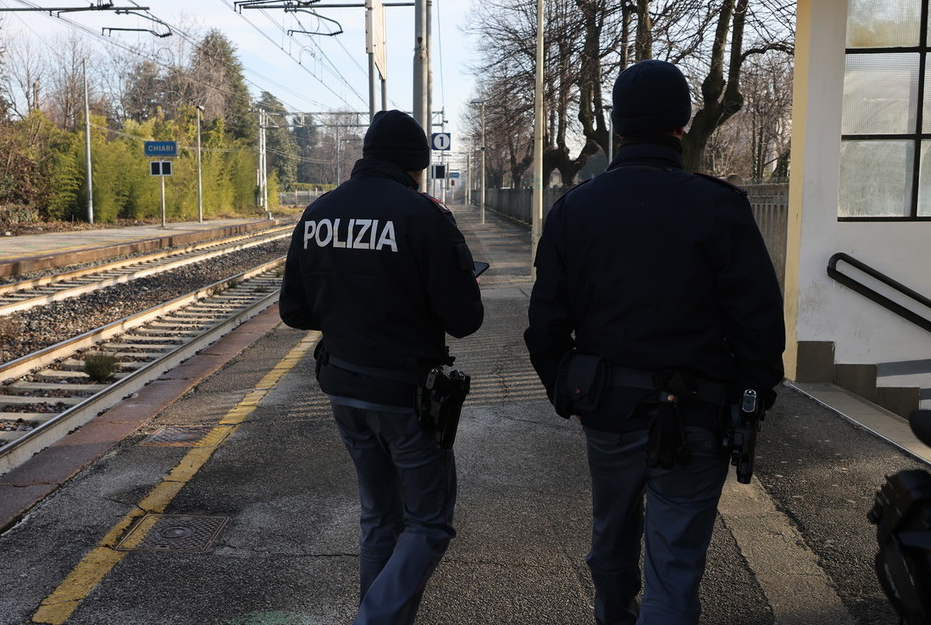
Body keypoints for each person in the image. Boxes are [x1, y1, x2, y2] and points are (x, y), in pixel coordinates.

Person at [524, 59, 786, 625]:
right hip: (698, 414)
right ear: (683, 124)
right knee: (675, 564)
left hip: (608, 407)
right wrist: (753, 395)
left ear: (617, 128)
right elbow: (757, 319)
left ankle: (613, 613)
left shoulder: (575, 209)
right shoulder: (720, 206)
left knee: (611, 535)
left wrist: (566, 388)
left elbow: (545, 323)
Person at [279, 109, 484, 625]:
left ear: (366, 156)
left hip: (344, 389)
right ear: (417, 165)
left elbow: (294, 311)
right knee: (429, 524)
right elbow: (464, 320)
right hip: (407, 396)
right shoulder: (424, 216)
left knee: (378, 518)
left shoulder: (319, 213)